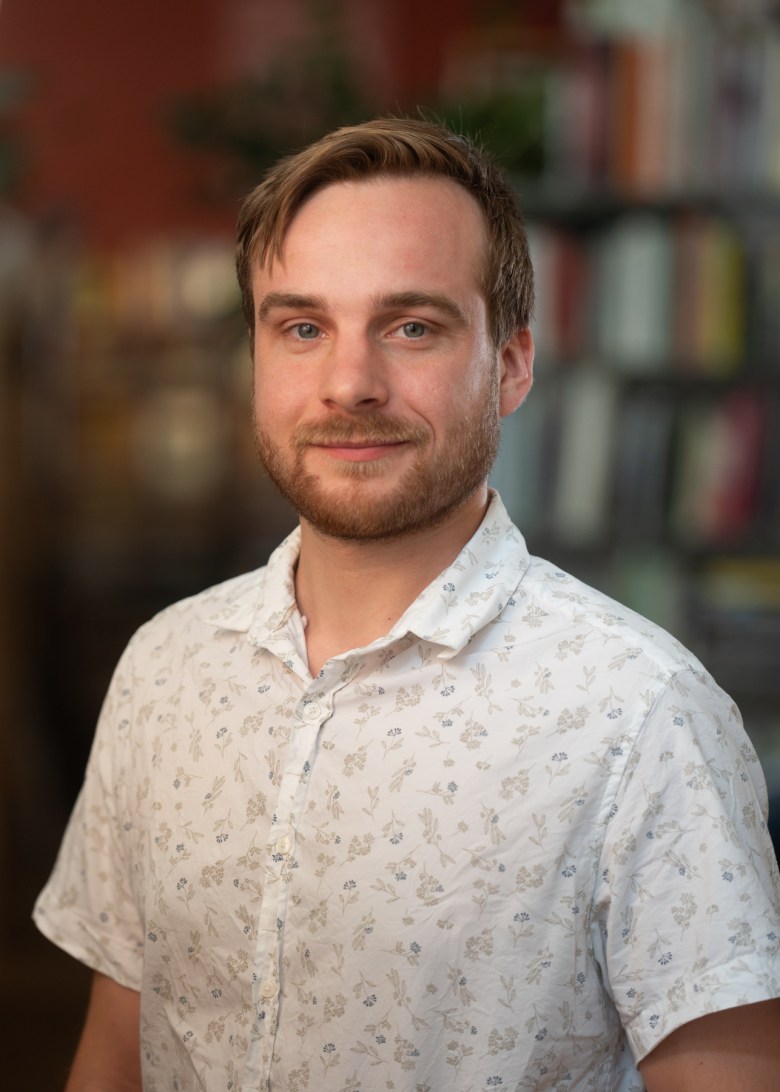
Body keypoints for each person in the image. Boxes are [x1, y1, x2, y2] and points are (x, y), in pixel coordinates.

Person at [35, 116, 780, 1092]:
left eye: (412, 327)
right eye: (303, 327)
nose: (350, 384)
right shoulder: (164, 670)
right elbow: (117, 1054)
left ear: (512, 366)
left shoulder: (641, 715)